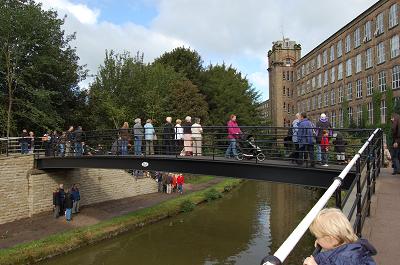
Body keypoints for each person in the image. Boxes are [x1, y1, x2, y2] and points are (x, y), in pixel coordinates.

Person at [303, 208, 377, 265]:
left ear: (330, 238)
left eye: (318, 237)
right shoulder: (356, 248)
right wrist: (321, 240)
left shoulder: (344, 259)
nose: (317, 239)